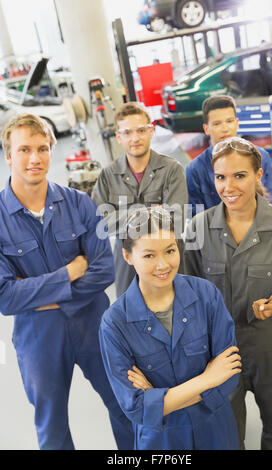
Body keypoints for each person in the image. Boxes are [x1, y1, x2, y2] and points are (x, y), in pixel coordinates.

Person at [0, 114, 134, 450]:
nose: (35, 158)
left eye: (42, 148)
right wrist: (70, 272)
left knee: (126, 405)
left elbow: (103, 269)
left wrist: (43, 294)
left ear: (51, 150)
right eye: (24, 149)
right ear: (8, 155)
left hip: (95, 322)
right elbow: (5, 297)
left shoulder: (79, 203)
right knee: (52, 424)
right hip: (38, 335)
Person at [184, 136, 272, 450]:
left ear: (259, 175)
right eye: (220, 177)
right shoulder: (197, 229)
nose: (229, 186)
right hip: (217, 351)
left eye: (240, 175)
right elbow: (184, 291)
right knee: (224, 437)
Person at [99, 207, 241, 450]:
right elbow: (137, 408)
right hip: (161, 440)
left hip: (215, 431)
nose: (163, 265)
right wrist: (206, 379)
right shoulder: (115, 323)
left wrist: (160, 400)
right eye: (149, 256)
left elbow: (229, 375)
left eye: (170, 251)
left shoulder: (206, 295)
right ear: (127, 256)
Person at [92, 102, 188, 297]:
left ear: (151, 131)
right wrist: (151, 213)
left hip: (168, 259)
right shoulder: (108, 176)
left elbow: (176, 220)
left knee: (178, 311)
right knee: (130, 315)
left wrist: (122, 218)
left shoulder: (172, 170)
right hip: (128, 261)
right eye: (127, 132)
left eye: (141, 130)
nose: (135, 138)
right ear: (118, 137)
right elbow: (100, 222)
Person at [186, 95, 272, 217]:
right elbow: (195, 217)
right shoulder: (194, 170)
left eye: (229, 121)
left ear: (237, 123)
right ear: (206, 129)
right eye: (217, 124)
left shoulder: (261, 156)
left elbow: (270, 201)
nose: (225, 128)